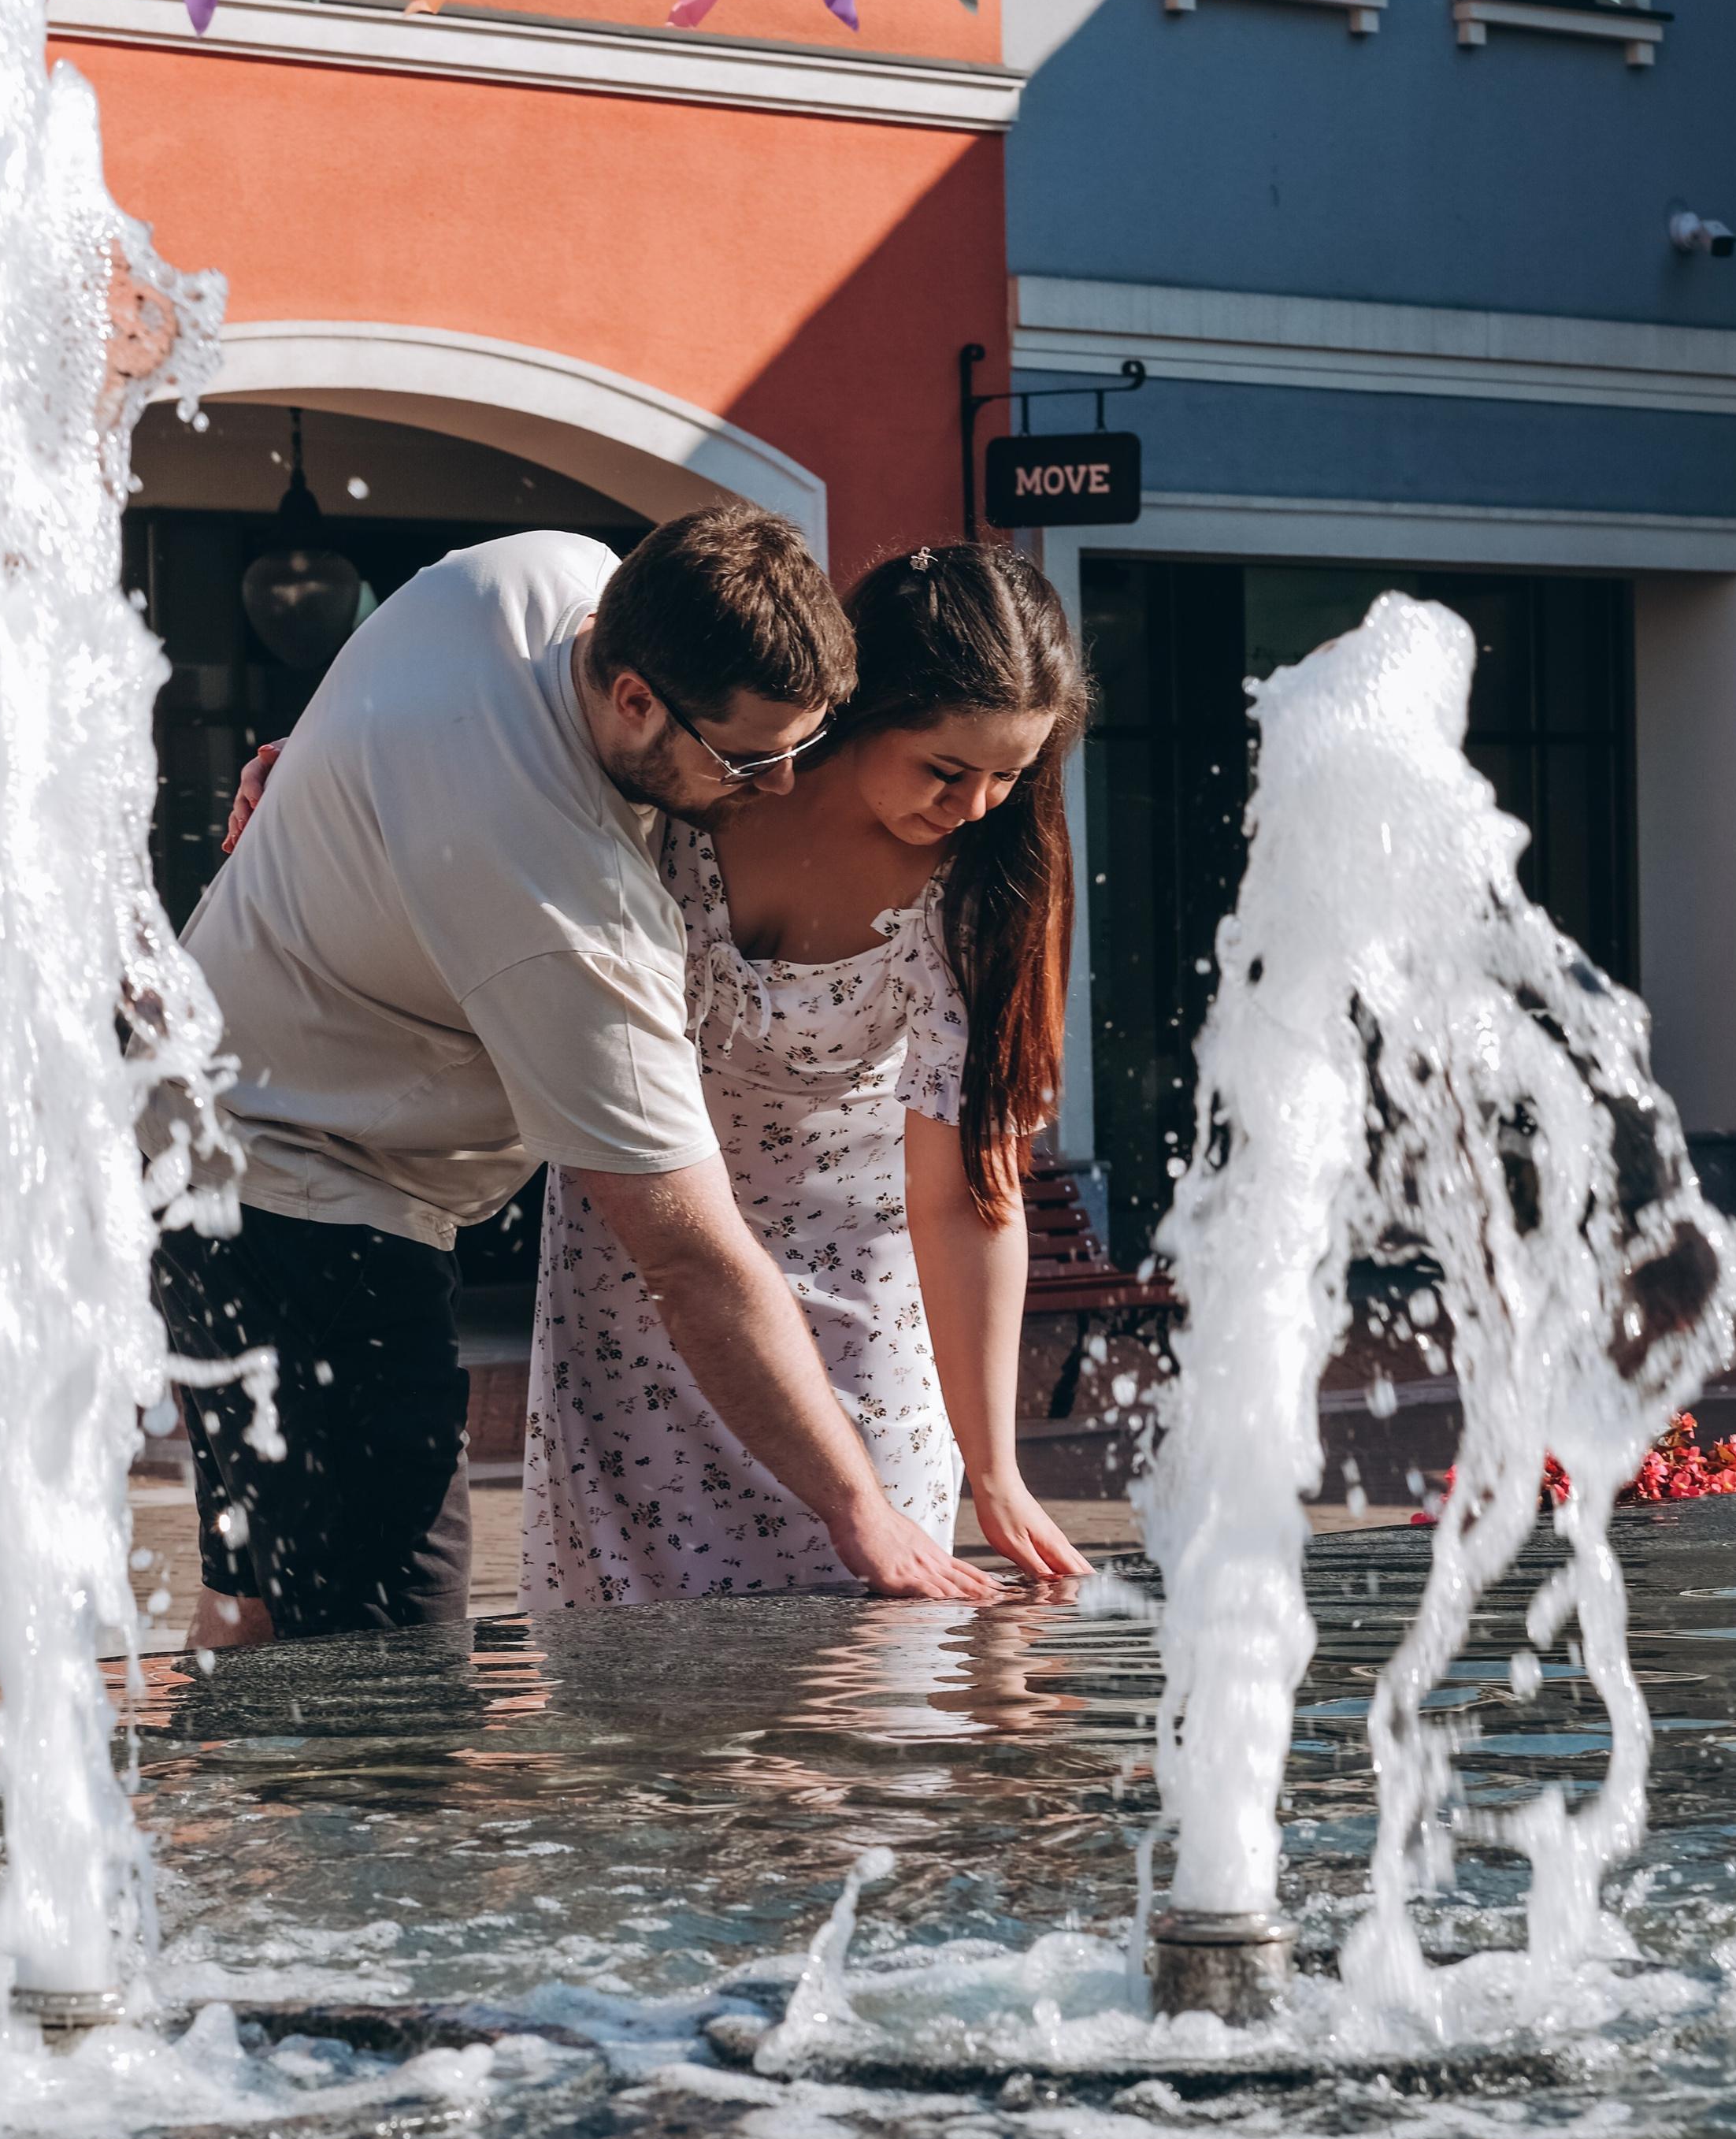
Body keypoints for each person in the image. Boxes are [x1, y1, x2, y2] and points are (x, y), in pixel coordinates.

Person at [148, 506, 999, 1647]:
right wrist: (862, 1511)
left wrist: (317, 762)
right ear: (637, 698)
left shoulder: (542, 575)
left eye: (803, 745)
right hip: (299, 1195)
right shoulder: (565, 909)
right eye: (750, 758)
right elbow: (690, 1259)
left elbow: (398, 715)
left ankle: (182, 1823)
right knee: (389, 1659)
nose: (785, 787)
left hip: (198, 1124)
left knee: (264, 1609)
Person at [521, 542, 1092, 1608]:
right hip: (641, 1281)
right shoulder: (697, 784)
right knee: (635, 1683)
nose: (977, 806)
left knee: (873, 1665)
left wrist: (996, 1468)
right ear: (865, 709)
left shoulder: (986, 885)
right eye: (946, 769)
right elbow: (500, 798)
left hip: (860, 1300)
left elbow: (964, 1192)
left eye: (1010, 775)